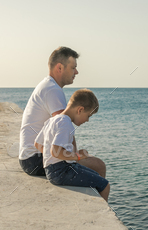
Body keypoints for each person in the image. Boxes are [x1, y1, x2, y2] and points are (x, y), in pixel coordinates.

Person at [19, 46, 106, 177]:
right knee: (98, 166)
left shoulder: (48, 85)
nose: (76, 72)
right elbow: (63, 125)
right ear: (60, 68)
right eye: (73, 67)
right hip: (35, 159)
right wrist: (76, 156)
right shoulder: (53, 90)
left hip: (30, 157)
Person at [34, 89, 110, 201]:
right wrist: (78, 156)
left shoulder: (52, 120)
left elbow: (38, 144)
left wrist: (51, 159)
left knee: (96, 176)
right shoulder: (66, 123)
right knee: (105, 185)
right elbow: (55, 151)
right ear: (80, 110)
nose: (87, 120)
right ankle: (104, 217)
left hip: (52, 170)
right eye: (88, 116)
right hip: (61, 171)